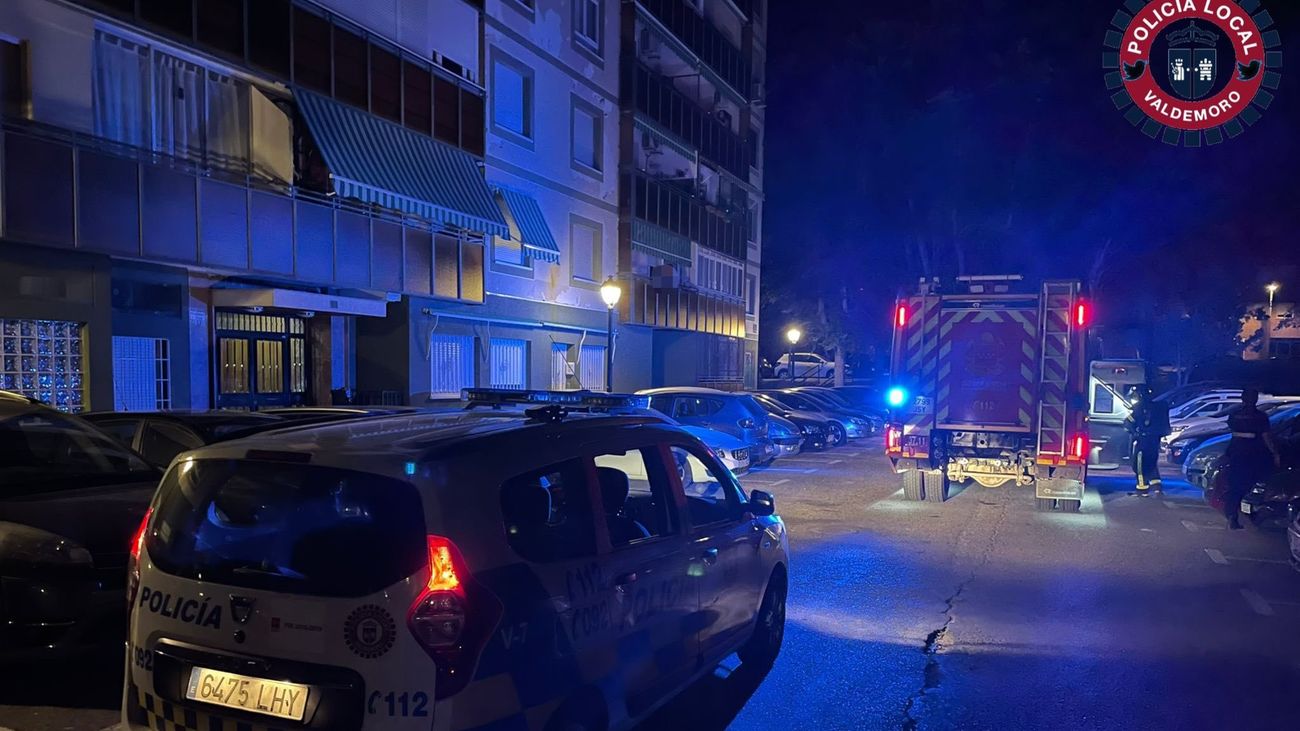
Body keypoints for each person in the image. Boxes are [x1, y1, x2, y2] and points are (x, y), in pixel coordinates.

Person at [1222, 389, 1282, 530]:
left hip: (1236, 452)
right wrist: (1275, 453)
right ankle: (1251, 513)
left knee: (1235, 485)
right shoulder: (1260, 416)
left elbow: (1232, 432)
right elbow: (1266, 437)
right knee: (1254, 484)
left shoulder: (1235, 414)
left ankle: (1232, 515)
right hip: (1254, 454)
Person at [1124, 384, 1170, 496]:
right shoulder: (1160, 407)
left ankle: (1142, 489)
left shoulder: (1140, 407)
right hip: (1155, 441)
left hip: (1143, 441)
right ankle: (1157, 487)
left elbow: (1128, 422)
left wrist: (1134, 432)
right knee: (1152, 463)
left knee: (1139, 464)